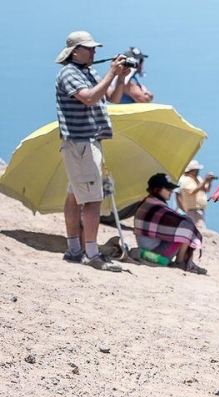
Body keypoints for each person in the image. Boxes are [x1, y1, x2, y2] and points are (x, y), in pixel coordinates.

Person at [55, 30, 130, 272]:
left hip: (88, 141)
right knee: (93, 199)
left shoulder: (88, 71)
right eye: (89, 48)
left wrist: (120, 78)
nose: (94, 52)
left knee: (75, 195)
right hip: (81, 141)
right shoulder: (68, 73)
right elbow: (88, 98)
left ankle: (75, 249)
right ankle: (91, 253)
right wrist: (111, 72)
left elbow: (113, 97)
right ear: (75, 51)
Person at [133, 173, 206, 275]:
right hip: (155, 252)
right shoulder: (157, 207)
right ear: (157, 189)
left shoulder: (148, 202)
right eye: (168, 189)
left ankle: (183, 261)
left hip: (145, 249)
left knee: (183, 224)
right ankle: (181, 262)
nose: (171, 192)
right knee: (187, 227)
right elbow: (183, 225)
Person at [176, 159, 216, 229]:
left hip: (200, 209)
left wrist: (209, 182)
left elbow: (206, 189)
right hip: (192, 209)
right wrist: (205, 180)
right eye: (196, 170)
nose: (198, 171)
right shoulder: (185, 180)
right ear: (191, 170)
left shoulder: (198, 179)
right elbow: (192, 191)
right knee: (198, 228)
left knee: (199, 227)